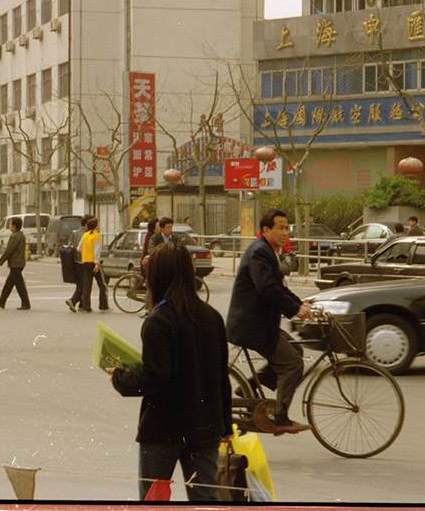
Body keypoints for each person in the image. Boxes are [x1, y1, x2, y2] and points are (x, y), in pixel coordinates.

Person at [108, 242, 232, 502]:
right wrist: (225, 426)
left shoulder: (158, 321)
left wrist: (119, 378)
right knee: (205, 498)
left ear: (157, 276)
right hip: (206, 426)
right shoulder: (212, 317)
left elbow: (155, 377)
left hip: (163, 430)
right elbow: (222, 377)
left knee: (154, 500)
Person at [226, 210, 315, 434]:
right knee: (292, 364)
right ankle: (280, 417)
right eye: (280, 228)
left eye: (287, 228)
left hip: (260, 323)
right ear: (266, 230)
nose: (285, 232)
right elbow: (267, 288)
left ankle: (250, 387)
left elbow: (280, 288)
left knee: (297, 351)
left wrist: (301, 304)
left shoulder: (268, 251)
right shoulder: (259, 252)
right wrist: (295, 309)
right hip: (252, 326)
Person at [0, 216, 31, 310]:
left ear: (14, 226)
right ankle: (2, 302)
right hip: (19, 263)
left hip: (16, 263)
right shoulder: (21, 235)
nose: (9, 226)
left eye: (10, 224)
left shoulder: (15, 236)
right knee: (9, 284)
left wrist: (1, 260)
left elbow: (9, 250)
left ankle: (26, 304)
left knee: (19, 285)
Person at [80, 216, 109, 312]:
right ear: (95, 226)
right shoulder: (96, 236)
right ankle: (103, 305)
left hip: (85, 262)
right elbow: (97, 251)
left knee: (87, 285)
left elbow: (79, 248)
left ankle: (86, 307)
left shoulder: (85, 235)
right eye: (98, 223)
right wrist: (97, 263)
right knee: (102, 284)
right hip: (94, 263)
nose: (99, 225)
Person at [65, 214, 92, 312]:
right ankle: (73, 300)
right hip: (83, 261)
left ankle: (82, 304)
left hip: (75, 260)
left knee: (80, 282)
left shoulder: (75, 232)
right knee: (83, 283)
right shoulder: (85, 234)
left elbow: (70, 244)